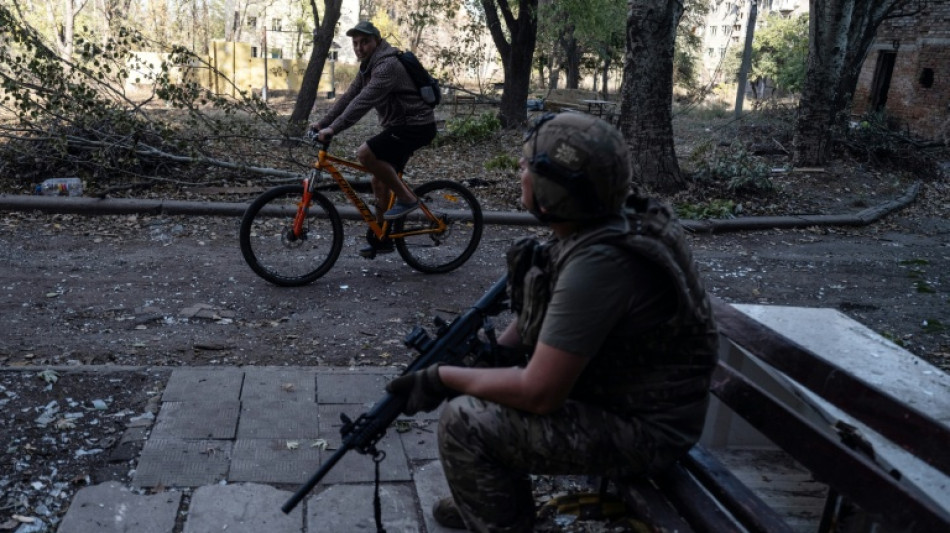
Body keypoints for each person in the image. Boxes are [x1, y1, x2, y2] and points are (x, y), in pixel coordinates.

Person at [386, 113, 720, 531]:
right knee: (480, 386)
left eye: (526, 166)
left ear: (551, 192)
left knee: (464, 421)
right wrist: (492, 357)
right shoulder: (604, 220)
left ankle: (502, 519)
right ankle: (487, 494)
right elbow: (544, 317)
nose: (519, 172)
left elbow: (539, 393)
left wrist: (442, 378)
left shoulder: (601, 264)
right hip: (629, 401)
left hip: (646, 431)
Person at [310, 21, 437, 258]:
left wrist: (333, 129)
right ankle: (384, 238)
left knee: (365, 154)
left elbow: (362, 103)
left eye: (364, 42)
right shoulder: (368, 67)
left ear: (377, 41)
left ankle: (407, 198)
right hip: (400, 126)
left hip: (416, 126)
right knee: (378, 181)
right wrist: (323, 123)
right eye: (355, 43)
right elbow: (349, 96)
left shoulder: (387, 66)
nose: (359, 48)